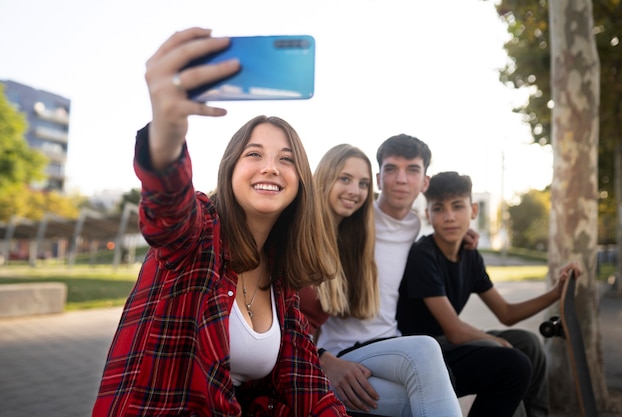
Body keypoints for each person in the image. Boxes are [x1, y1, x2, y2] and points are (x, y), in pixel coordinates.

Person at [92, 27, 348, 417]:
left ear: (301, 182)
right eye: (254, 154)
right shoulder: (199, 234)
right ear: (230, 170)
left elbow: (307, 384)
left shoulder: (283, 283)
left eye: (286, 158)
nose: (270, 167)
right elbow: (167, 211)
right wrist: (167, 133)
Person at [397, 171, 581, 417]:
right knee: (508, 359)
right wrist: (497, 342)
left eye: (457, 206)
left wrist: (555, 293)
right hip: (421, 351)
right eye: (439, 209)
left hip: (448, 346)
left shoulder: (471, 255)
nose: (449, 217)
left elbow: (506, 313)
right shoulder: (424, 256)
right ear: (428, 214)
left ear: (473, 210)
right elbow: (454, 330)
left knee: (529, 344)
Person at [299, 144, 462, 417]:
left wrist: (460, 239)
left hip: (318, 356)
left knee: (423, 395)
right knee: (424, 350)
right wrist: (323, 359)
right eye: (345, 179)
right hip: (298, 363)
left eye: (362, 183)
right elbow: (282, 319)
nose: (355, 190)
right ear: (325, 177)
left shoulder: (347, 238)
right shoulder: (298, 232)